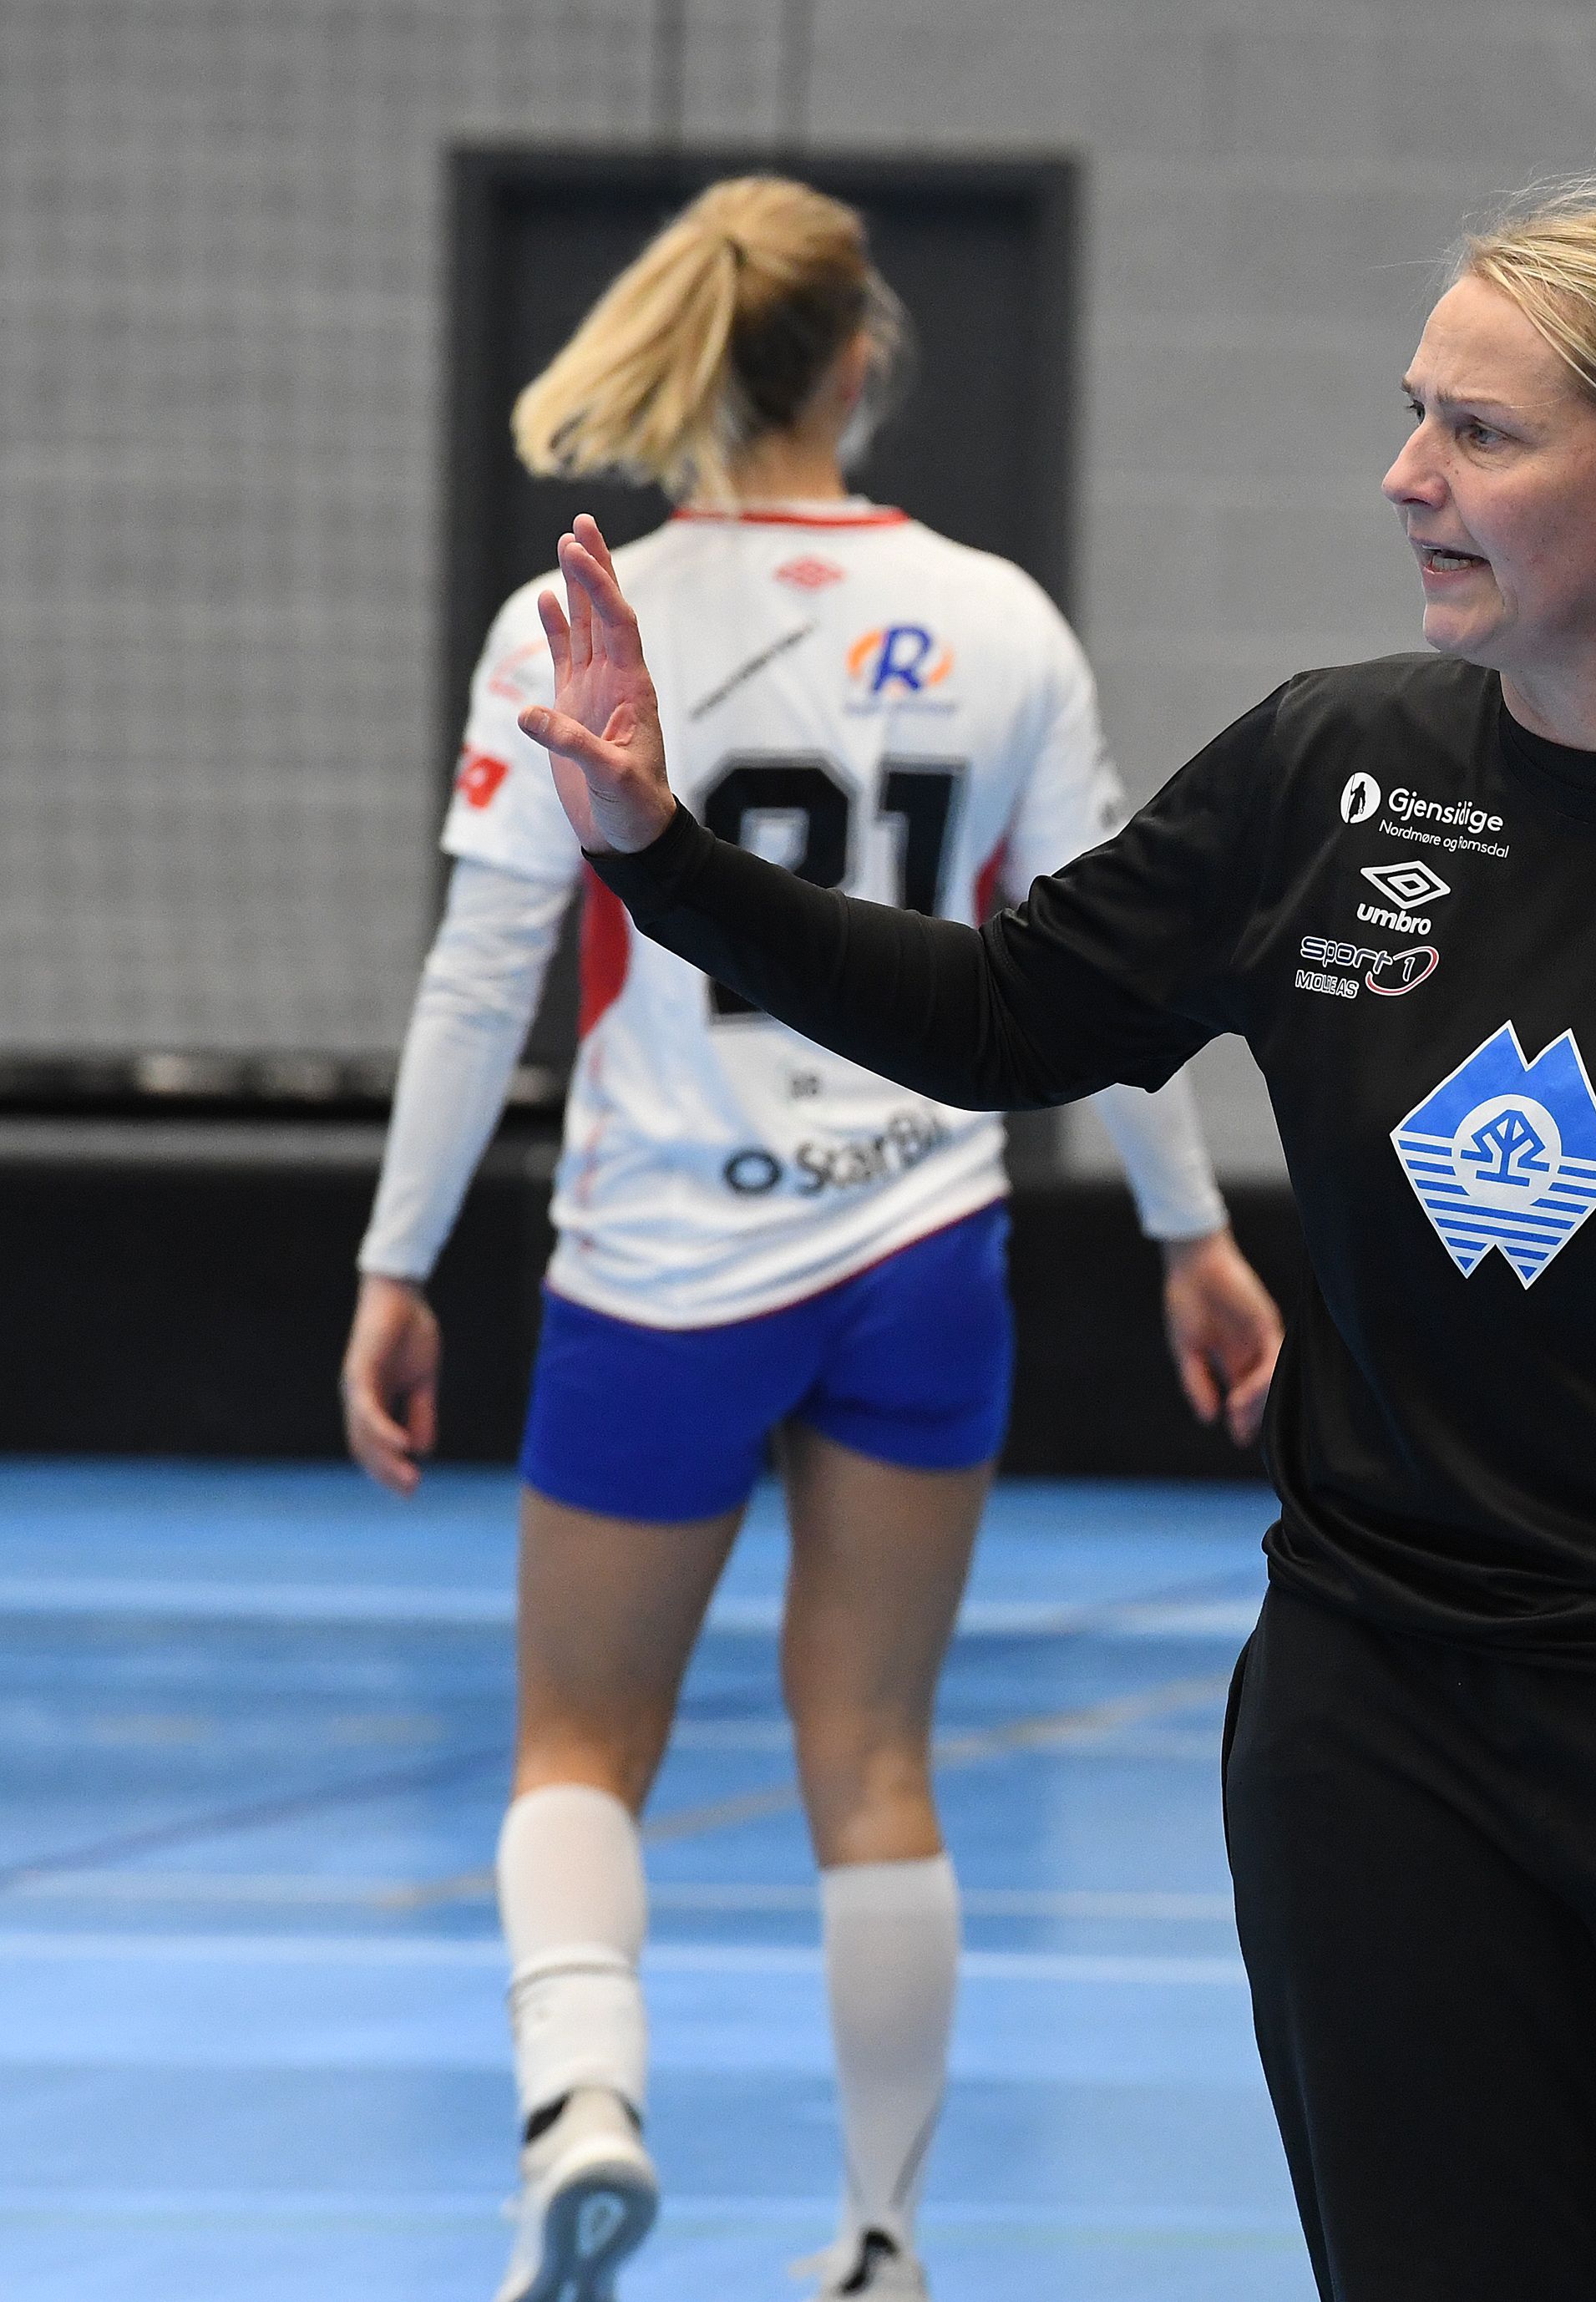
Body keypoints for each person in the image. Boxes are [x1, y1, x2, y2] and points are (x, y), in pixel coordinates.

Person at [518, 184, 1596, 2301]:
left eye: (1480, 434)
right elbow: (1005, 1017)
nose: (1408, 474)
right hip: (1383, 1738)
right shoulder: (1326, 771)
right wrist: (659, 854)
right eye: (1415, 413)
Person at [334, 176, 1284, 2302]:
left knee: (579, 1747)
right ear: (863, 358)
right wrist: (1192, 1234)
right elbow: (1108, 975)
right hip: (917, 1243)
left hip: (661, 1259)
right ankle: (877, 2241)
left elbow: (484, 973)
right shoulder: (1002, 618)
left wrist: (396, 1263)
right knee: (875, 1758)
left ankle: (584, 2103)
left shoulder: (582, 615)